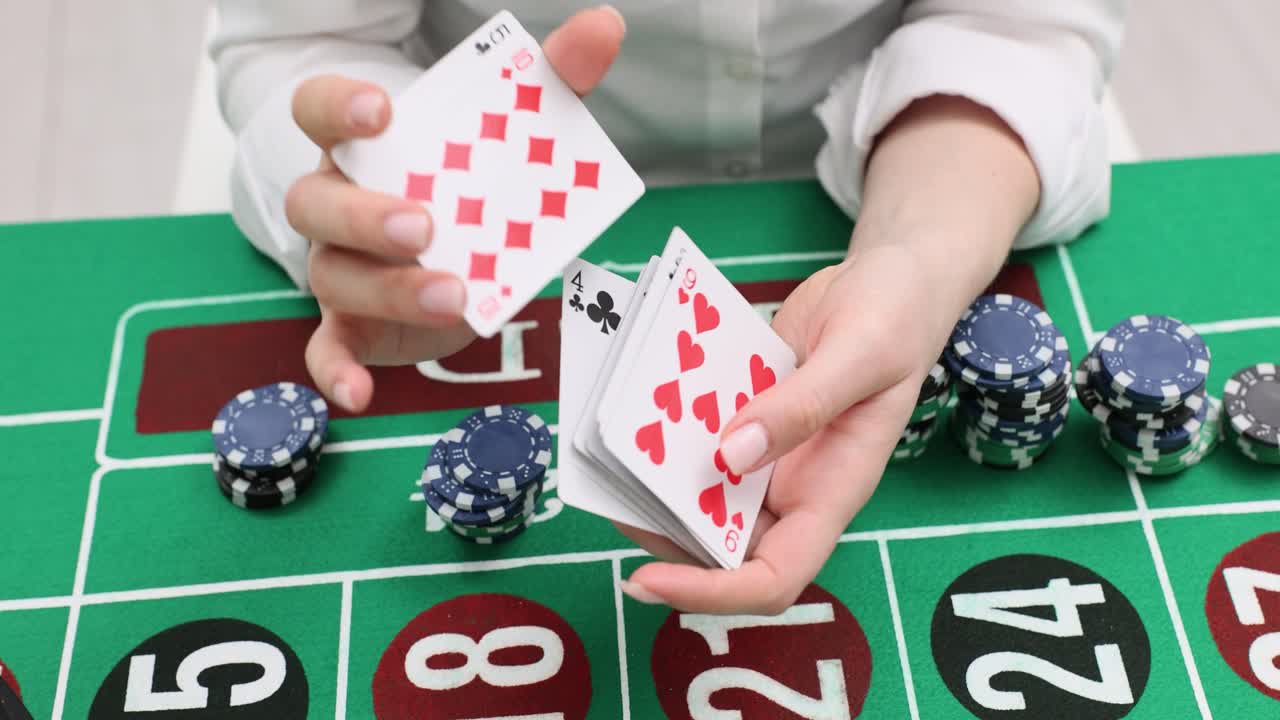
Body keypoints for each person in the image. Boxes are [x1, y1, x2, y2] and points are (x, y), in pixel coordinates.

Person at [212, 1, 1126, 615]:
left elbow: (1014, 26)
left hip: (900, 168)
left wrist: (915, 262)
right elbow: (298, 38)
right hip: (491, 183)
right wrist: (393, 207)